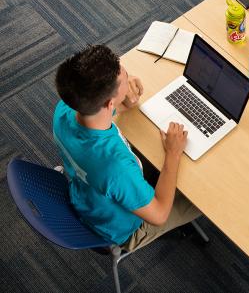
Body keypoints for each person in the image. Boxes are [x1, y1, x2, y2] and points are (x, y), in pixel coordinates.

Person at [53, 45, 201, 251]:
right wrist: (173, 153)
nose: (128, 77)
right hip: (121, 228)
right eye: (125, 77)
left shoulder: (64, 109)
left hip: (89, 196)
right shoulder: (115, 165)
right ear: (108, 102)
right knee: (204, 197)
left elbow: (94, 118)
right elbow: (158, 215)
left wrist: (120, 103)